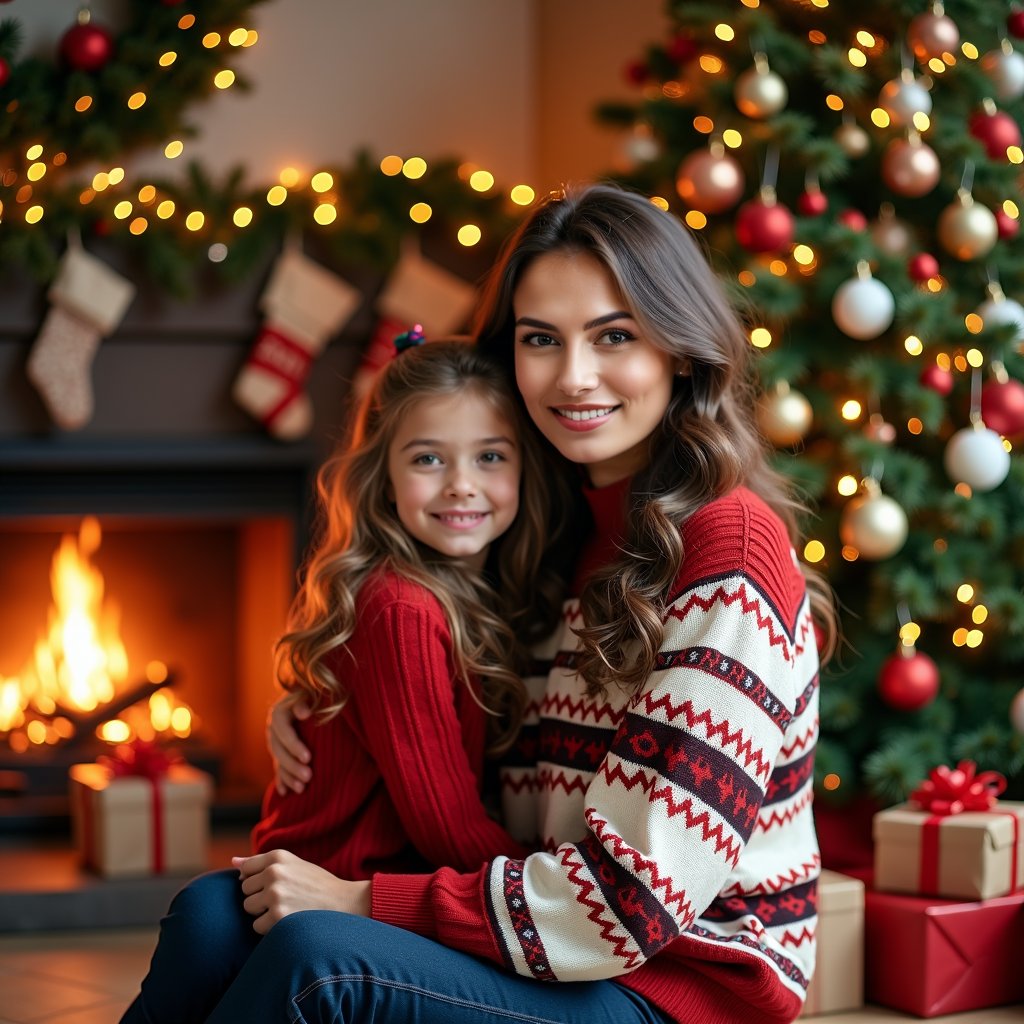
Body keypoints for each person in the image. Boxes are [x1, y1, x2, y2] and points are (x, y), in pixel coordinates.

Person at [211, 181, 836, 1024]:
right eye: (541, 339)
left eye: (614, 336)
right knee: (214, 920)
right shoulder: (541, 524)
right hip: (540, 934)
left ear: (681, 350)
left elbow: (631, 906)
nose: (574, 377)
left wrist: (363, 902)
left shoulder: (727, 550)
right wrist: (324, 704)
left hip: (676, 978)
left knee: (314, 958)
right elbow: (433, 698)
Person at [118, 336, 572, 1024]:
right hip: (322, 898)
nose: (461, 484)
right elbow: (446, 828)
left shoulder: (466, 593)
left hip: (341, 891)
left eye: (490, 455)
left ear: (523, 466)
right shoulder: (403, 609)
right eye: (427, 458)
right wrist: (556, 895)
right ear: (383, 475)